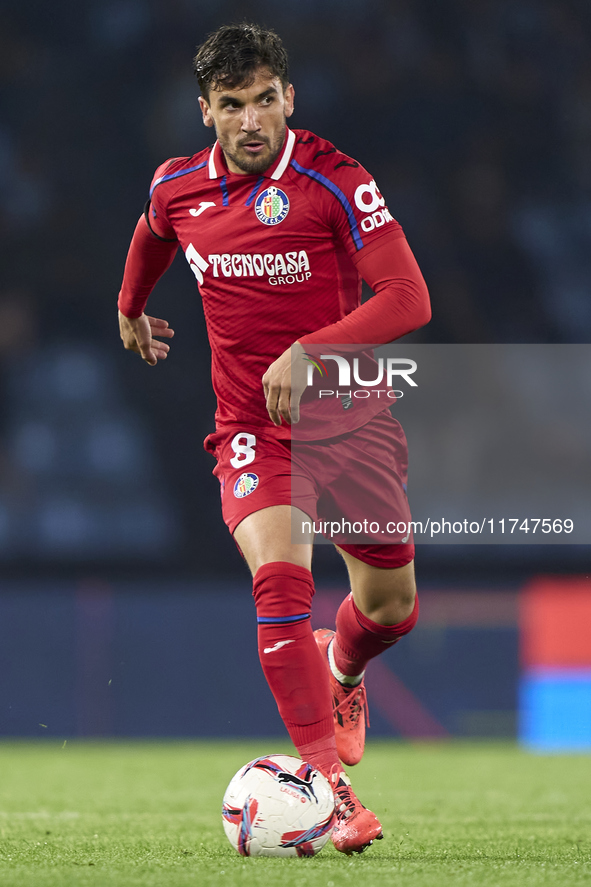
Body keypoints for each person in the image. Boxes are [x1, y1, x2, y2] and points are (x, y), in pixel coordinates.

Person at [118, 22, 430, 855]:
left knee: (391, 607)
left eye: (265, 100)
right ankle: (330, 786)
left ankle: (344, 669)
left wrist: (309, 348)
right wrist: (128, 306)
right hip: (253, 427)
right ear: (206, 111)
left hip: (351, 419)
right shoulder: (179, 185)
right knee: (279, 575)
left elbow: (407, 296)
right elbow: (152, 232)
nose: (251, 120)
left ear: (288, 98)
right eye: (232, 105)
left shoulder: (335, 179)